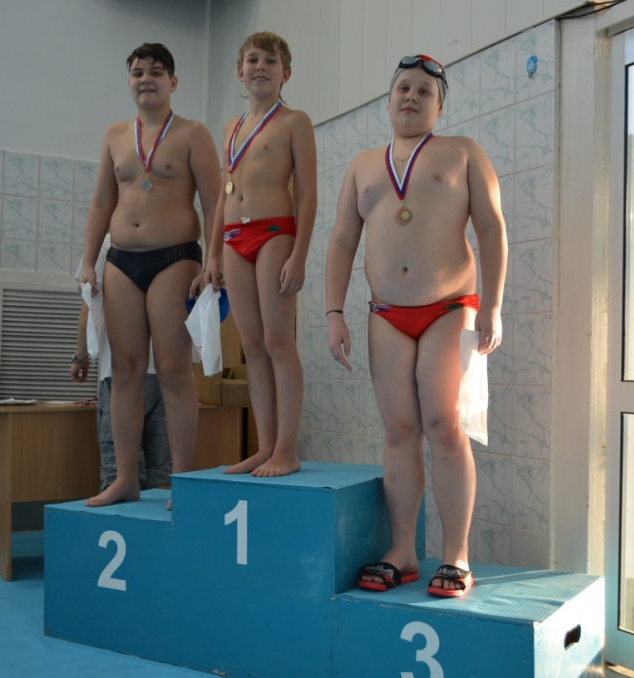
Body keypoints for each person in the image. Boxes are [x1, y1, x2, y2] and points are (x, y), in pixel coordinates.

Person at [325, 55, 507, 597]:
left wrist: (493, 306)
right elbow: (342, 241)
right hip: (386, 314)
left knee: (445, 426)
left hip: (450, 308)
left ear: (439, 107)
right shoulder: (362, 165)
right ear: (387, 102)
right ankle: (402, 551)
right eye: (402, 88)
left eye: (424, 91)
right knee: (398, 430)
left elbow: (492, 230)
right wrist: (333, 312)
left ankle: (456, 556)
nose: (411, 96)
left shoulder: (463, 152)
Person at [79, 43, 221, 506]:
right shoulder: (115, 135)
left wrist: (214, 260)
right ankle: (125, 478)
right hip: (121, 259)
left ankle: (183, 480)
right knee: (125, 371)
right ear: (129, 82)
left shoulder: (192, 133)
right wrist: (88, 261)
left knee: (174, 370)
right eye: (138, 72)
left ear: (173, 82)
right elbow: (102, 202)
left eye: (156, 72)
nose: (146, 79)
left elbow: (214, 202)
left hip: (174, 259)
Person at [201, 31, 316, 477]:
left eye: (270, 61)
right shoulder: (230, 129)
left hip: (274, 233)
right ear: (239, 72)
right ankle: (265, 446)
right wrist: (212, 254)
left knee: (277, 340)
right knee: (251, 345)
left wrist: (300, 254)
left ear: (286, 73)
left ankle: (287, 449)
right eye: (253, 60)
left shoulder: (295, 121)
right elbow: (222, 196)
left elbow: (307, 194)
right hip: (233, 237)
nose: (261, 67)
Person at [71, 234, 171, 494]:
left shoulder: (109, 242)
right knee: (162, 470)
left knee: (119, 470)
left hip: (121, 373)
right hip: (167, 374)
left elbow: (89, 306)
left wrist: (80, 357)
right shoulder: (172, 235)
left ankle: (122, 511)